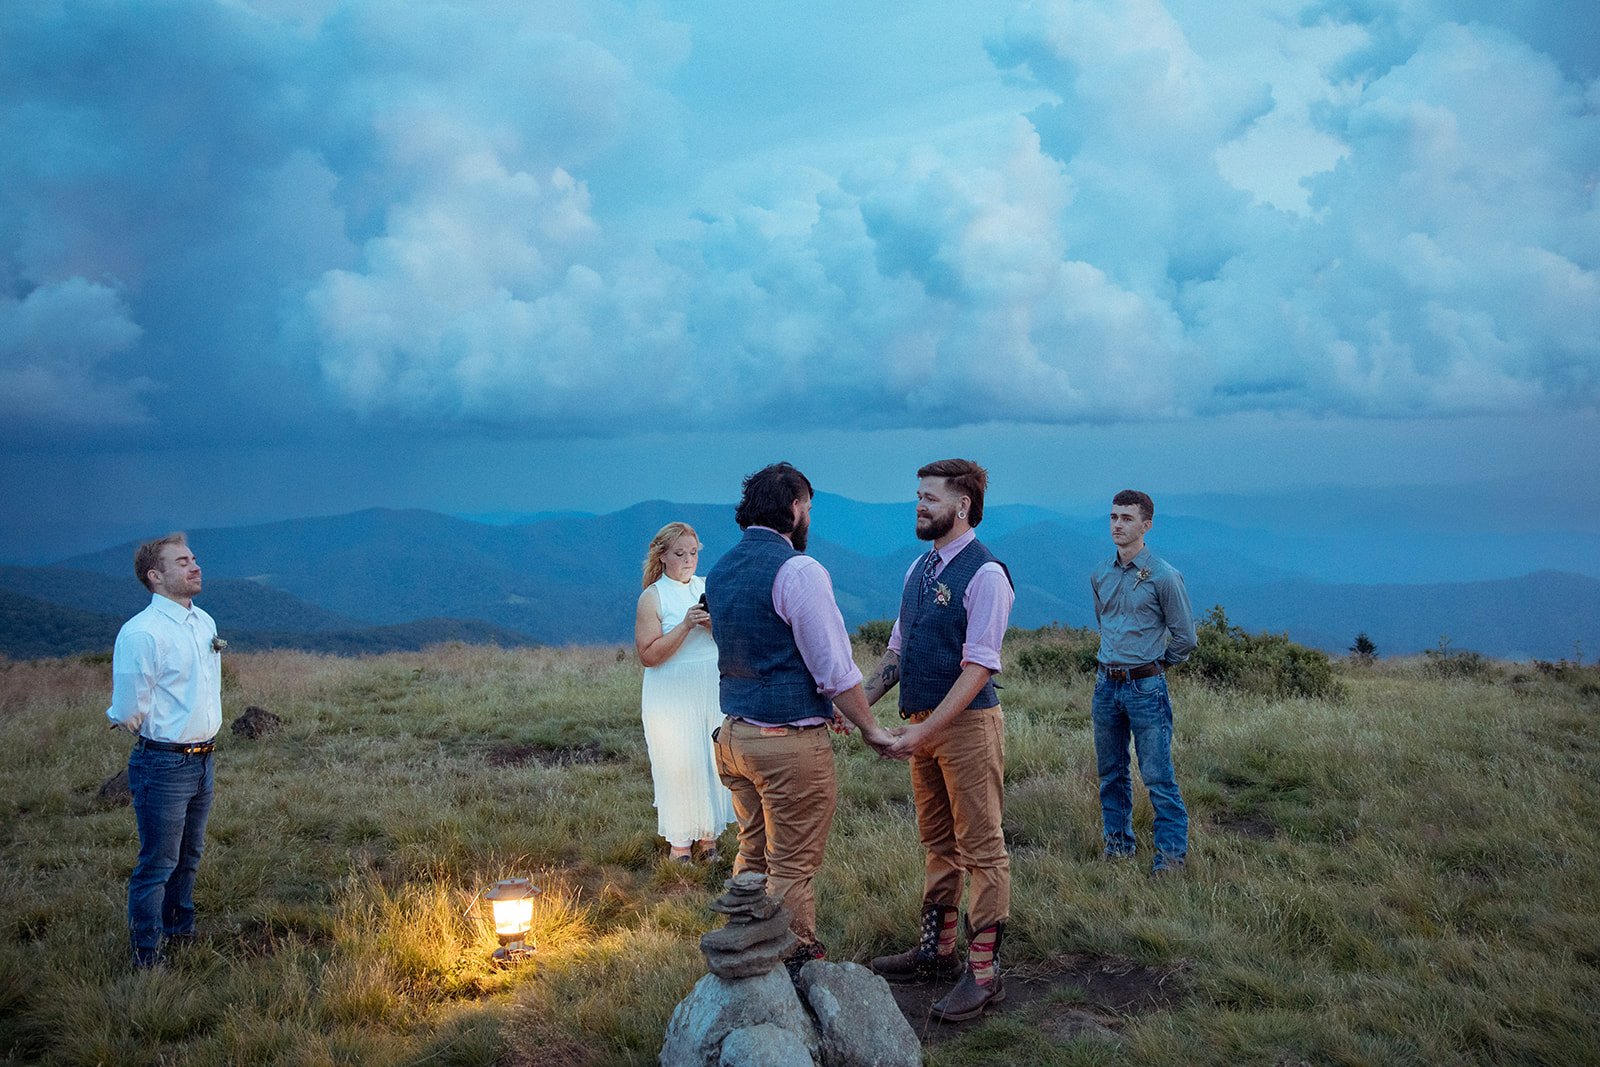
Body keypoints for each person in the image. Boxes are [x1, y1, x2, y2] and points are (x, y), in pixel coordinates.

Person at [705, 462, 896, 976]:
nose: (809, 517)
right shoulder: (798, 571)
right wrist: (869, 727)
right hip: (785, 744)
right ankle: (792, 966)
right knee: (792, 866)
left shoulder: (720, 569)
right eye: (808, 507)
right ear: (794, 507)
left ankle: (743, 951)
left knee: (753, 856)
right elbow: (834, 668)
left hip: (734, 737)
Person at [864, 459, 1016, 1022]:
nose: (920, 506)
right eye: (918, 497)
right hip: (921, 727)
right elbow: (898, 654)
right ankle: (936, 953)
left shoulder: (987, 574)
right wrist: (856, 709)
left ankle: (985, 976)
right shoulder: (919, 569)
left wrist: (924, 731)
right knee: (937, 841)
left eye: (930, 498)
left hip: (968, 728)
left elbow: (979, 668)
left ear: (963, 507)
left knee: (982, 847)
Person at [104, 533, 224, 969]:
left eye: (194, 558)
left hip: (204, 758)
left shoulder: (204, 622)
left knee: (190, 854)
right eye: (181, 562)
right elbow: (127, 709)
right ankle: (147, 954)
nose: (195, 566)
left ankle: (180, 928)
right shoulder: (142, 633)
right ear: (155, 577)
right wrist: (123, 716)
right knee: (158, 862)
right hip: (164, 762)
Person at [1090, 490, 1197, 877]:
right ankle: (1117, 847)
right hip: (1106, 684)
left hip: (1145, 687)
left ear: (1146, 525)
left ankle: (1170, 858)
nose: (1118, 524)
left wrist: (1157, 667)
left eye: (1127, 518)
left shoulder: (1164, 577)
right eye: (1114, 517)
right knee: (1110, 773)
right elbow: (1105, 622)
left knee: (1157, 775)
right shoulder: (1101, 573)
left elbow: (1185, 637)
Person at [635, 521, 736, 863]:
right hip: (672, 692)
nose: (688, 560)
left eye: (693, 553)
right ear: (663, 556)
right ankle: (680, 844)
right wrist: (685, 626)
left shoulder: (708, 587)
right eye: (679, 554)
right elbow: (649, 655)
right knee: (678, 762)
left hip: (710, 685)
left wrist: (713, 625)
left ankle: (708, 839)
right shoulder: (653, 597)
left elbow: (731, 640)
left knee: (711, 759)